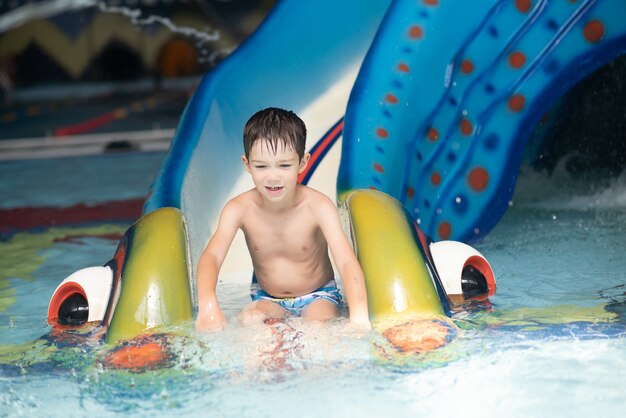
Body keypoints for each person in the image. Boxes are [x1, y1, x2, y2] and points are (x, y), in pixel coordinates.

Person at [195, 107, 370, 331]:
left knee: (320, 327)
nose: (273, 176)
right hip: (268, 299)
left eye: (284, 165)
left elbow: (346, 262)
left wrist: (359, 316)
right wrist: (208, 304)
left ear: (303, 163)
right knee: (249, 321)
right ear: (247, 164)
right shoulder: (238, 209)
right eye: (261, 166)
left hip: (318, 297)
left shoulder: (318, 207)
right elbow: (212, 256)